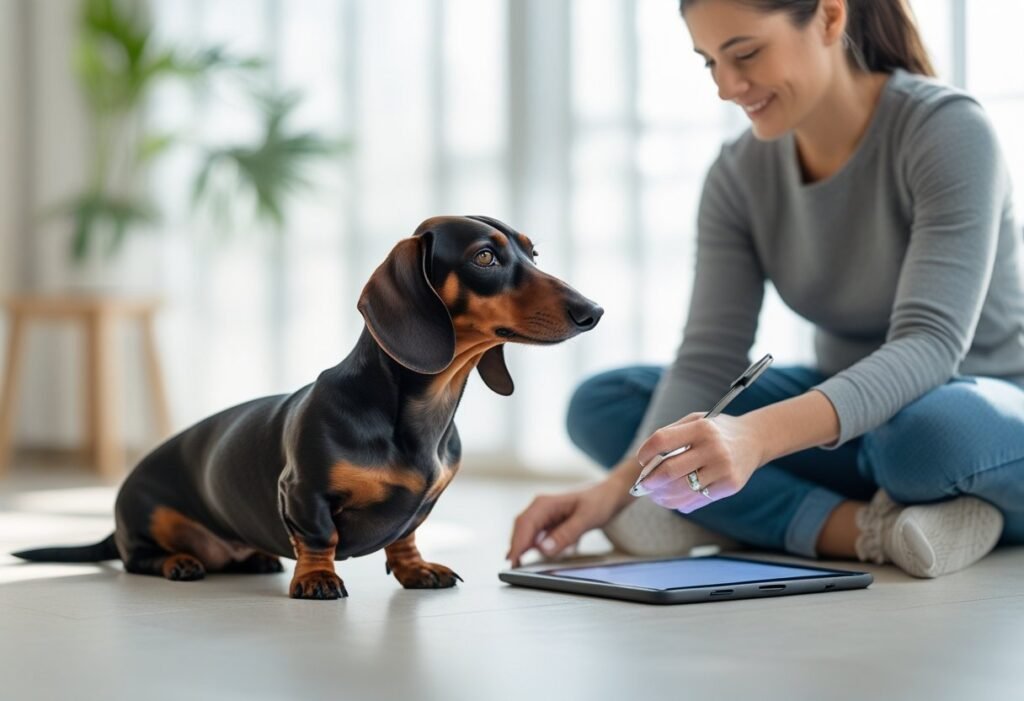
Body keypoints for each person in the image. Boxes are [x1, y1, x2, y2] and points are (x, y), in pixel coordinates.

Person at [506, 0, 1024, 578]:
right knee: (605, 406)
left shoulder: (947, 130)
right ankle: (869, 530)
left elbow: (929, 344)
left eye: (746, 53)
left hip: (975, 421)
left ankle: (733, 511)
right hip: (849, 426)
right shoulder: (737, 175)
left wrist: (753, 436)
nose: (727, 87)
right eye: (709, 64)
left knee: (927, 439)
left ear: (829, 18)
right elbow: (709, 357)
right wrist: (616, 489)